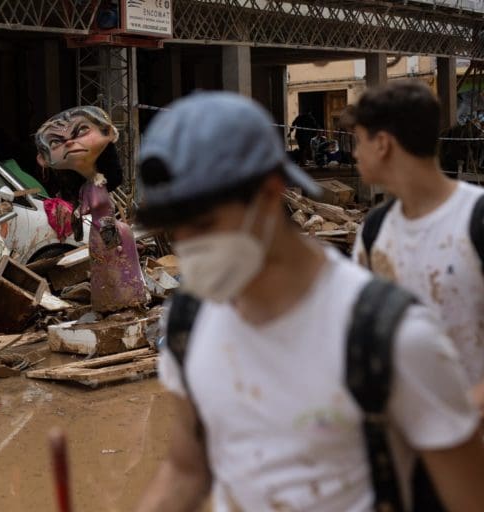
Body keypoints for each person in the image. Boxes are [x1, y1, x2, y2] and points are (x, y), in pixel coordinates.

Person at [133, 91, 484, 512]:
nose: (188, 245)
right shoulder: (188, 324)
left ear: (269, 194)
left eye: (204, 223)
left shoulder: (392, 336)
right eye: (174, 229)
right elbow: (186, 470)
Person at [348, 81, 484, 412]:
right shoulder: (374, 231)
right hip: (407, 432)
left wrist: (462, 414)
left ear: (383, 144)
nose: (354, 153)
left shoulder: (476, 218)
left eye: (359, 141)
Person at [35, 106, 147, 313]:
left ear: (109, 133)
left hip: (105, 229)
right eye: (56, 141)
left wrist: (108, 239)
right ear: (42, 158)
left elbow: (98, 208)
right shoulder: (89, 185)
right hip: (100, 230)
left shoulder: (96, 184)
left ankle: (121, 301)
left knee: (114, 265)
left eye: (81, 131)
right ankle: (113, 300)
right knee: (106, 267)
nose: (69, 142)